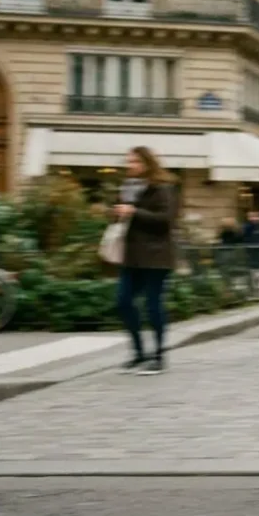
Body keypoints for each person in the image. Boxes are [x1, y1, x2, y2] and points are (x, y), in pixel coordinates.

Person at [113, 146, 178, 375]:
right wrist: (117, 212)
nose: (130, 166)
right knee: (123, 301)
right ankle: (139, 353)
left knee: (152, 305)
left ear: (147, 164)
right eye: (129, 162)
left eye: (135, 162)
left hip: (156, 256)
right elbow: (124, 217)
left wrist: (133, 212)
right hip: (131, 256)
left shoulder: (161, 188)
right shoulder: (127, 188)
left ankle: (158, 356)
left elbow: (165, 220)